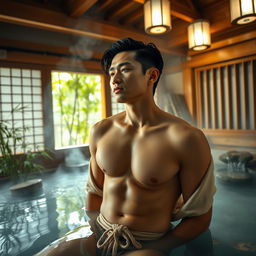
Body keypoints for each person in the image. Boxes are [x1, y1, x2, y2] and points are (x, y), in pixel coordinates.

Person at [36, 38, 216, 256]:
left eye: (125, 70)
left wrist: (158, 248)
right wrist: (94, 227)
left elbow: (199, 216)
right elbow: (95, 192)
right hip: (101, 232)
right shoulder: (101, 131)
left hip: (148, 242)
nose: (115, 79)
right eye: (111, 72)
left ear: (151, 75)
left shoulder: (186, 138)